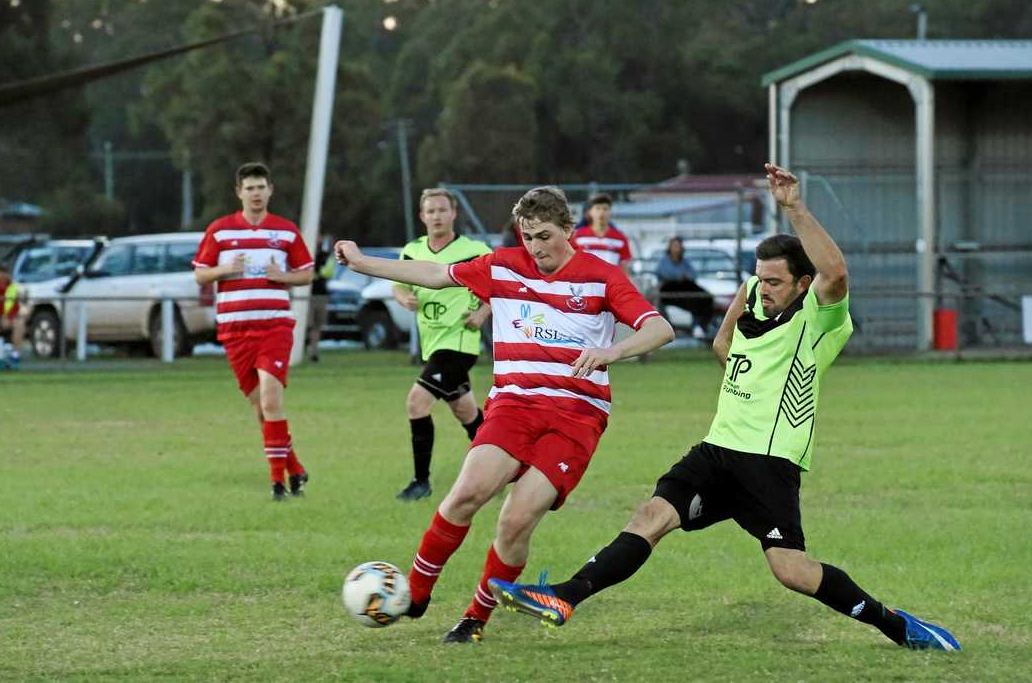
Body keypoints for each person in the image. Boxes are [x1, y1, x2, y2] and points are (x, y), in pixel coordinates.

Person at [489, 164, 961, 652]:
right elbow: (723, 343)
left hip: (767, 461)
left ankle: (897, 625)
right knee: (651, 516)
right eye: (760, 278)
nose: (764, 288)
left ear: (802, 283)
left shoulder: (820, 316)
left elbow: (836, 272)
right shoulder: (755, 294)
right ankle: (565, 597)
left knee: (791, 571)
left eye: (776, 281)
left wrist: (794, 208)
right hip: (717, 449)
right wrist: (749, 364)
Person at [335, 186, 674, 644]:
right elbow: (435, 273)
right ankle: (415, 594)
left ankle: (476, 617)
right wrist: (362, 263)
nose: (536, 247)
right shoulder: (501, 265)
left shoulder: (601, 276)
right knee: (465, 494)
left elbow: (660, 328)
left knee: (515, 522)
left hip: (576, 416)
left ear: (568, 230)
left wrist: (612, 350)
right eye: (528, 236)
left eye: (545, 236)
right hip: (514, 404)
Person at [193, 162, 315, 502]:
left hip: (275, 325)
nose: (256, 193)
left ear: (270, 190)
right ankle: (295, 468)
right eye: (250, 188)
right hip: (234, 330)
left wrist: (283, 277)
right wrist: (224, 269)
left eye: (261, 187)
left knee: (272, 399)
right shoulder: (219, 231)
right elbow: (201, 275)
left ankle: (278, 483)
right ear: (239, 192)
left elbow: (306, 273)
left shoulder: (286, 231)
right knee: (261, 409)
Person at [391, 188, 493, 502]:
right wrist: (403, 297)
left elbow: (499, 287)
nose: (436, 216)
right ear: (423, 217)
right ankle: (506, 467)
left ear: (453, 214)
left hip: (460, 343)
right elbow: (398, 285)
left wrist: (481, 313)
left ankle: (420, 482)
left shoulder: (474, 249)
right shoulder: (411, 250)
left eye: (442, 210)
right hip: (433, 343)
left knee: (416, 402)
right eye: (430, 211)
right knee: (465, 411)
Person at [655, 236, 715, 337]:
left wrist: (682, 276)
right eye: (674, 246)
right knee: (694, 301)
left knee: (707, 298)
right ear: (669, 247)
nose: (676, 249)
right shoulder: (664, 261)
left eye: (678, 246)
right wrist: (680, 276)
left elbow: (693, 275)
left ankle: (700, 326)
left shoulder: (684, 261)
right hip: (669, 290)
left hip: (685, 287)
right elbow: (665, 274)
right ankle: (696, 327)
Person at [572, 193, 632, 274]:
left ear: (610, 212)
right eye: (597, 208)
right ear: (590, 212)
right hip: (586, 284)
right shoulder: (578, 236)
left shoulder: (620, 238)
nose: (601, 212)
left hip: (611, 284)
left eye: (605, 209)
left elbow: (624, 268)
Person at [306, 237, 335, 364]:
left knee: (317, 325)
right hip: (305, 297)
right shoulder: (303, 253)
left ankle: (314, 351)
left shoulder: (324, 256)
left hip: (320, 295)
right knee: (307, 325)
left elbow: (328, 272)